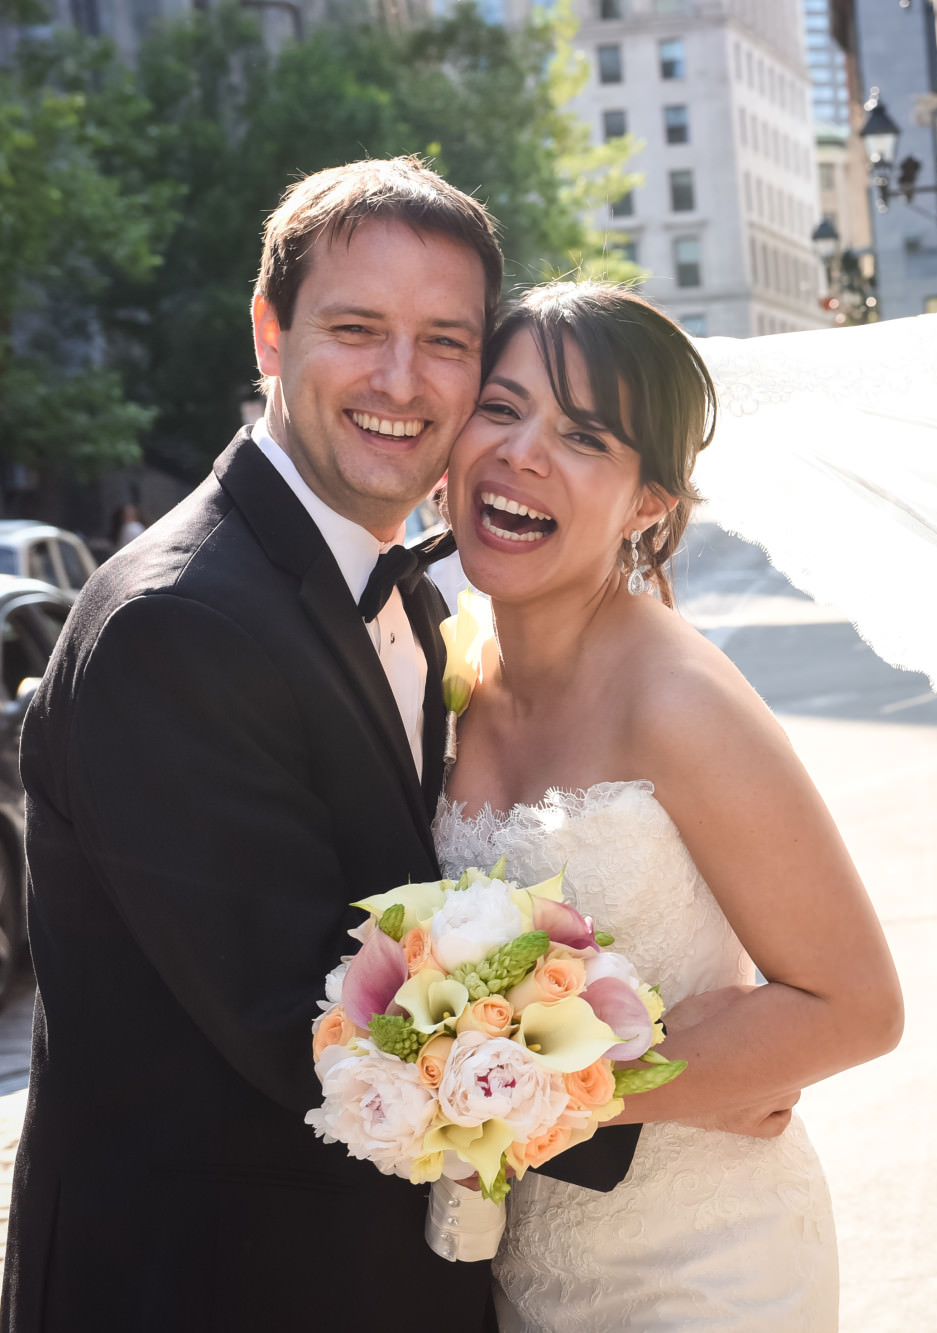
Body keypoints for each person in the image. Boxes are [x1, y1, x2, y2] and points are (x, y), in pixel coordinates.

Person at [1, 158, 635, 1332]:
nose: (402, 380)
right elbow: (314, 1022)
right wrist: (659, 1084)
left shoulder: (413, 596)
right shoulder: (177, 624)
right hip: (212, 1283)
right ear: (269, 333)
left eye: (446, 341)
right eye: (356, 328)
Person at [436, 282, 903, 1330]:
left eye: (583, 436)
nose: (522, 453)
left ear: (650, 503)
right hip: (523, 1269)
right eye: (501, 408)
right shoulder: (449, 668)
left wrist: (548, 1087)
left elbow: (858, 1006)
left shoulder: (680, 704)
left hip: (703, 1266)